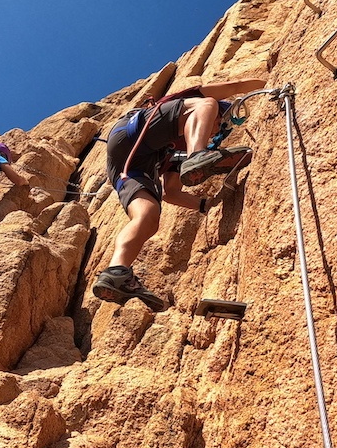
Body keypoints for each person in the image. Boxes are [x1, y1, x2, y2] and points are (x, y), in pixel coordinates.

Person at [92, 79, 267, 312]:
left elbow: (171, 193)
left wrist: (206, 205)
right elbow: (235, 86)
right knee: (205, 105)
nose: (214, 131)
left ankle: (117, 272)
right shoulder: (192, 104)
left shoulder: (176, 148)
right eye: (217, 124)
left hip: (132, 167)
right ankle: (199, 156)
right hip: (133, 131)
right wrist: (270, 80)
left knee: (147, 217)